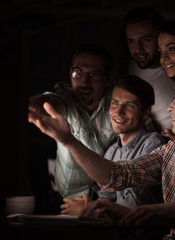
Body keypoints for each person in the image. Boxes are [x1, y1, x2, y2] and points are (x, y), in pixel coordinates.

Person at [29, 67, 175, 239]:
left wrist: (128, 215)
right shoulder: (174, 149)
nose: (169, 107)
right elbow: (116, 175)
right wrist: (67, 139)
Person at [60, 75, 167, 216]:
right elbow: (106, 198)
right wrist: (89, 205)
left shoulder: (154, 144)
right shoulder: (112, 151)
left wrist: (89, 209)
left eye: (129, 105)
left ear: (145, 112)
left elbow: (132, 206)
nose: (118, 112)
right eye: (115, 103)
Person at [28, 44, 117, 201]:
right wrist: (29, 105)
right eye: (78, 73)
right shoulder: (65, 99)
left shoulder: (118, 103)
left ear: (108, 78)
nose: (85, 82)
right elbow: (47, 101)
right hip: (69, 200)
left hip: (112, 199)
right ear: (70, 74)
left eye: (94, 75)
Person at [125, 7, 175, 132]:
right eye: (131, 41)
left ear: (160, 37)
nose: (138, 49)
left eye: (146, 40)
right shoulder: (132, 67)